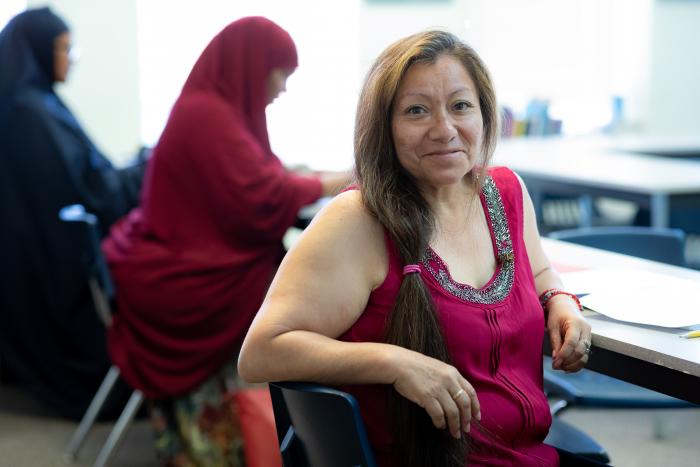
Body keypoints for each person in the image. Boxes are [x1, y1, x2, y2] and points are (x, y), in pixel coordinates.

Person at [239, 30, 596, 467]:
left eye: (461, 106)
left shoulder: (504, 192)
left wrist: (562, 303)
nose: (444, 129)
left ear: (486, 114)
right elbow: (260, 352)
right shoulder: (358, 218)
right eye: (416, 111)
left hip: (529, 455)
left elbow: (540, 274)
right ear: (384, 127)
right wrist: (395, 363)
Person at [102, 16, 350, 465]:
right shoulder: (208, 116)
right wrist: (334, 182)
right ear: (253, 66)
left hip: (169, 255)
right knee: (304, 289)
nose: (283, 88)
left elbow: (259, 178)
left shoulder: (216, 108)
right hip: (185, 276)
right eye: (281, 74)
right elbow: (260, 198)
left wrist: (302, 178)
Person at [0, 7, 146, 419]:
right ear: (39, 51)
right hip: (55, 260)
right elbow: (93, 190)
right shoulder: (32, 112)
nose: (71, 58)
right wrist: (146, 168)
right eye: (64, 48)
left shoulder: (36, 101)